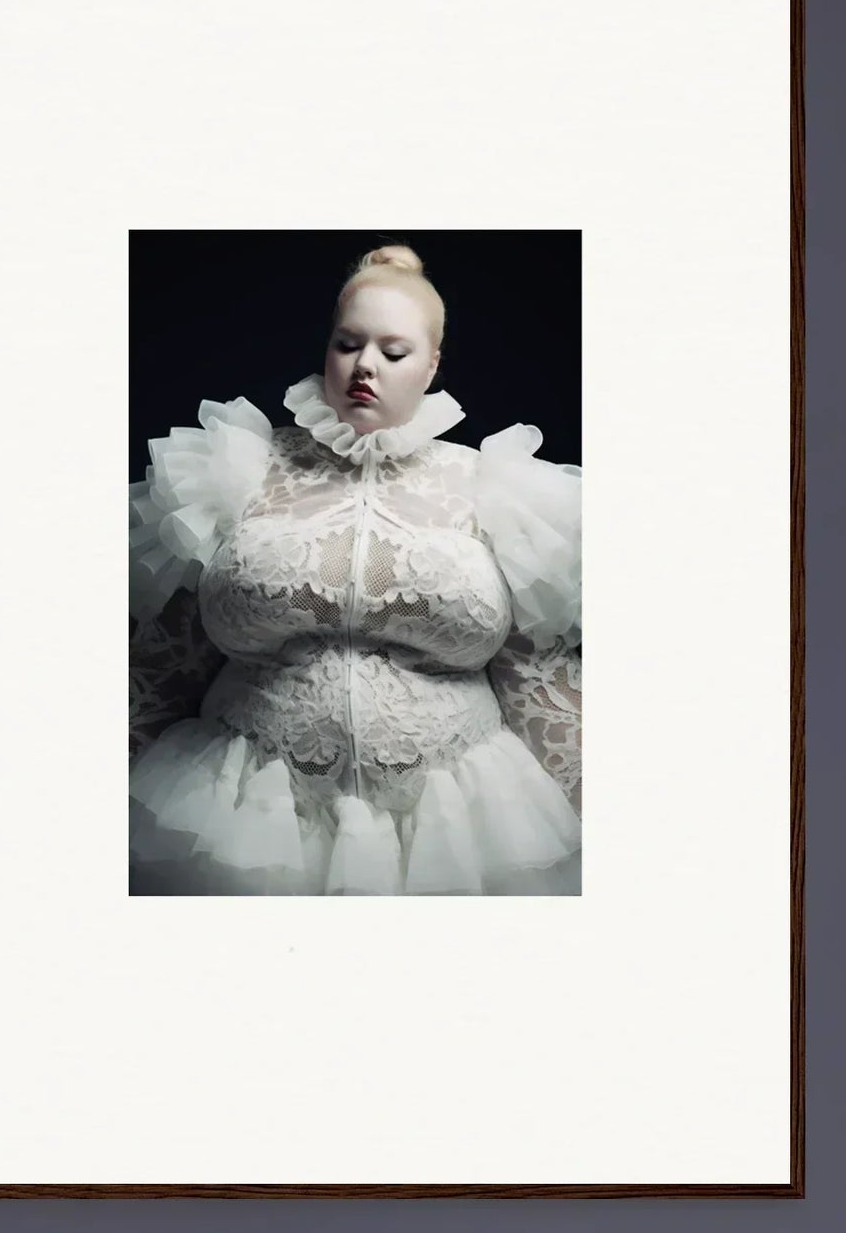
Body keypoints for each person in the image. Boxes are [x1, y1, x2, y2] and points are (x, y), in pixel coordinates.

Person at [128, 243, 582, 895]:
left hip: (461, 828)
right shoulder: (233, 472)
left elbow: (537, 678)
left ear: (431, 364)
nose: (364, 365)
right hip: (239, 820)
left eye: (393, 352)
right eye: (348, 344)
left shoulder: (496, 490)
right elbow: (161, 663)